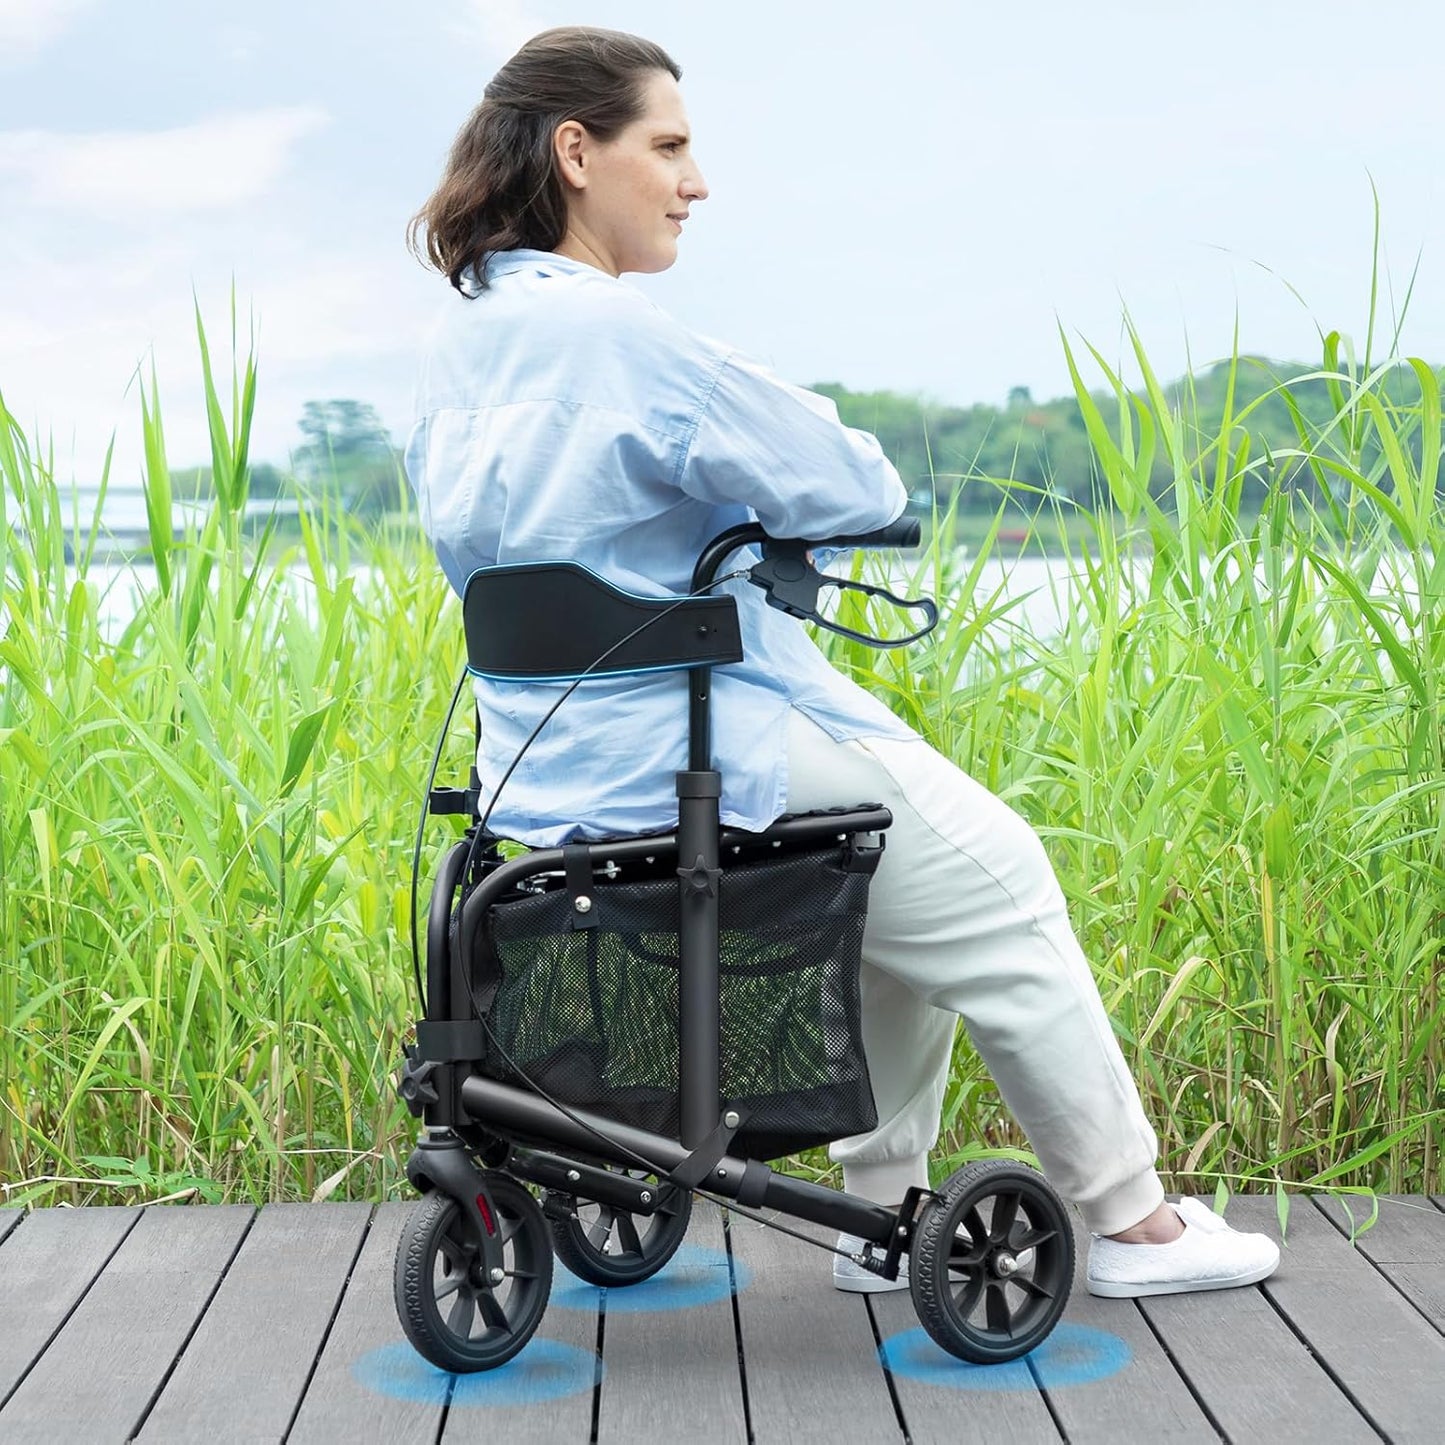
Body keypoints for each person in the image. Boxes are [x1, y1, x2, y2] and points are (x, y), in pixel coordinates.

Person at [403, 25, 1279, 1299]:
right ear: (575, 152)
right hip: (692, 751)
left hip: (541, 768)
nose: (695, 181)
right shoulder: (618, 334)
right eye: (671, 144)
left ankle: (885, 1210)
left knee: (889, 864)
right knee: (1001, 877)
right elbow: (847, 477)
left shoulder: (460, 340)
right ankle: (1133, 1223)